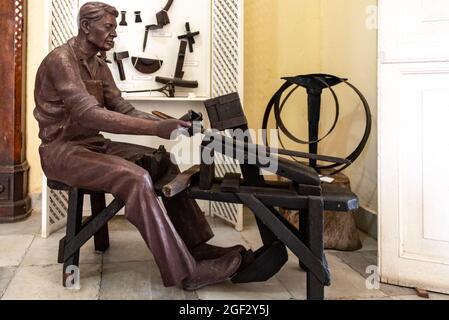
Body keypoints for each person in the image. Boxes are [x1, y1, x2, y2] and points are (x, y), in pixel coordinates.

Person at [34, 1, 244, 291]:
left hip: (92, 145)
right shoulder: (61, 60)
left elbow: (122, 108)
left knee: (163, 161)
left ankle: (196, 247)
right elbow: (88, 114)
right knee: (135, 177)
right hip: (61, 152)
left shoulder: (99, 64)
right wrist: (156, 128)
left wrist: (171, 124)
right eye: (108, 27)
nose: (114, 34)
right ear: (85, 26)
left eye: (114, 28)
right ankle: (185, 272)